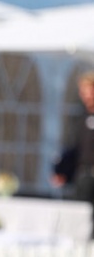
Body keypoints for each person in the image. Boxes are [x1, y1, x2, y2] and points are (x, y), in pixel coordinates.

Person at [52, 71, 94, 235]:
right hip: (83, 179)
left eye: (89, 90)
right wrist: (62, 170)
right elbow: (74, 148)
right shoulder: (82, 117)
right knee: (80, 223)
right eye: (83, 91)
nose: (86, 95)